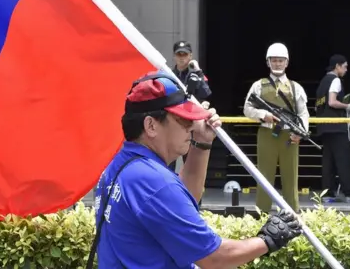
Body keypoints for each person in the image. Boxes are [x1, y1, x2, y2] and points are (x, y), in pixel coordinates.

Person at [89, 71, 303, 269]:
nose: (191, 126)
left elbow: (184, 197)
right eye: (182, 119)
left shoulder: (123, 164)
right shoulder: (153, 181)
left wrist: (201, 143)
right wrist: (268, 239)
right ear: (151, 126)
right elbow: (214, 257)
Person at [243, 43, 309, 213]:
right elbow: (247, 109)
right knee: (264, 176)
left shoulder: (295, 88)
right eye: (274, 60)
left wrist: (299, 133)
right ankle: (261, 213)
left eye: (281, 60)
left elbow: (303, 113)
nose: (277, 64)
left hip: (289, 136)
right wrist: (262, 114)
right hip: (267, 133)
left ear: (286, 63)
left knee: (290, 177)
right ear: (268, 62)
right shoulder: (258, 86)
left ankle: (293, 215)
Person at [314, 54, 350, 203]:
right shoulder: (335, 80)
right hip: (336, 126)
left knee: (328, 161)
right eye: (345, 66)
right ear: (337, 66)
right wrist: (347, 106)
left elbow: (317, 106)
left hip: (324, 126)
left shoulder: (322, 82)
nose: (346, 70)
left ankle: (328, 194)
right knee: (343, 160)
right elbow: (332, 102)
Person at [169, 40, 212, 173]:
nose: (182, 57)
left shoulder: (195, 74)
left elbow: (206, 93)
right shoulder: (169, 75)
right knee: (169, 162)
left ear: (190, 56)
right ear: (174, 56)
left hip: (191, 124)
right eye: (179, 54)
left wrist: (198, 70)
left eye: (185, 54)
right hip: (173, 123)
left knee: (191, 164)